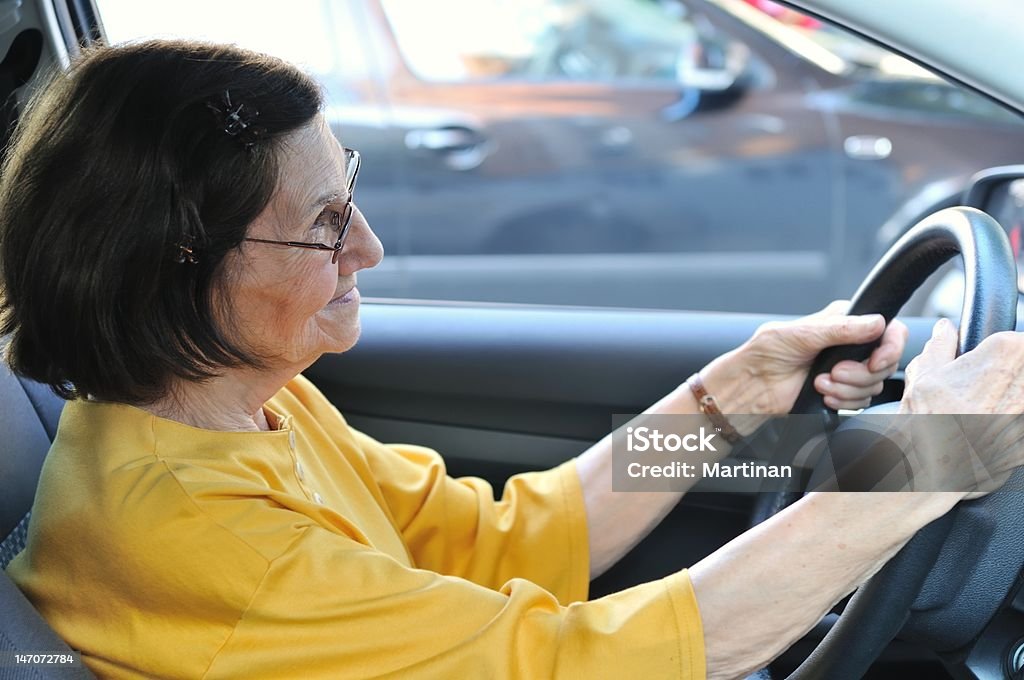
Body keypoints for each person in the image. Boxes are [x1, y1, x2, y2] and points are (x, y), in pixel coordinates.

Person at [1, 40, 1022, 680]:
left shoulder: (249, 400)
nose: (369, 247)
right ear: (175, 273)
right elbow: (588, 661)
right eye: (321, 224)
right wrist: (922, 462)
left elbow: (505, 538)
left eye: (346, 191)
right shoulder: (195, 535)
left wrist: (732, 396)